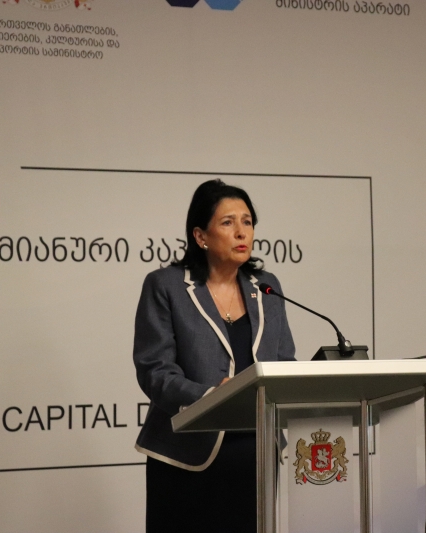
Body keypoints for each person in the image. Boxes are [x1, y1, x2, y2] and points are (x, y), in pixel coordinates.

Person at [133, 179, 296, 533]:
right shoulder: (166, 286)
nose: (241, 232)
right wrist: (212, 396)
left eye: (247, 222)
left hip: (255, 454)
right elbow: (155, 372)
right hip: (186, 456)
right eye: (227, 222)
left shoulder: (266, 287)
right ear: (200, 236)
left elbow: (284, 361)